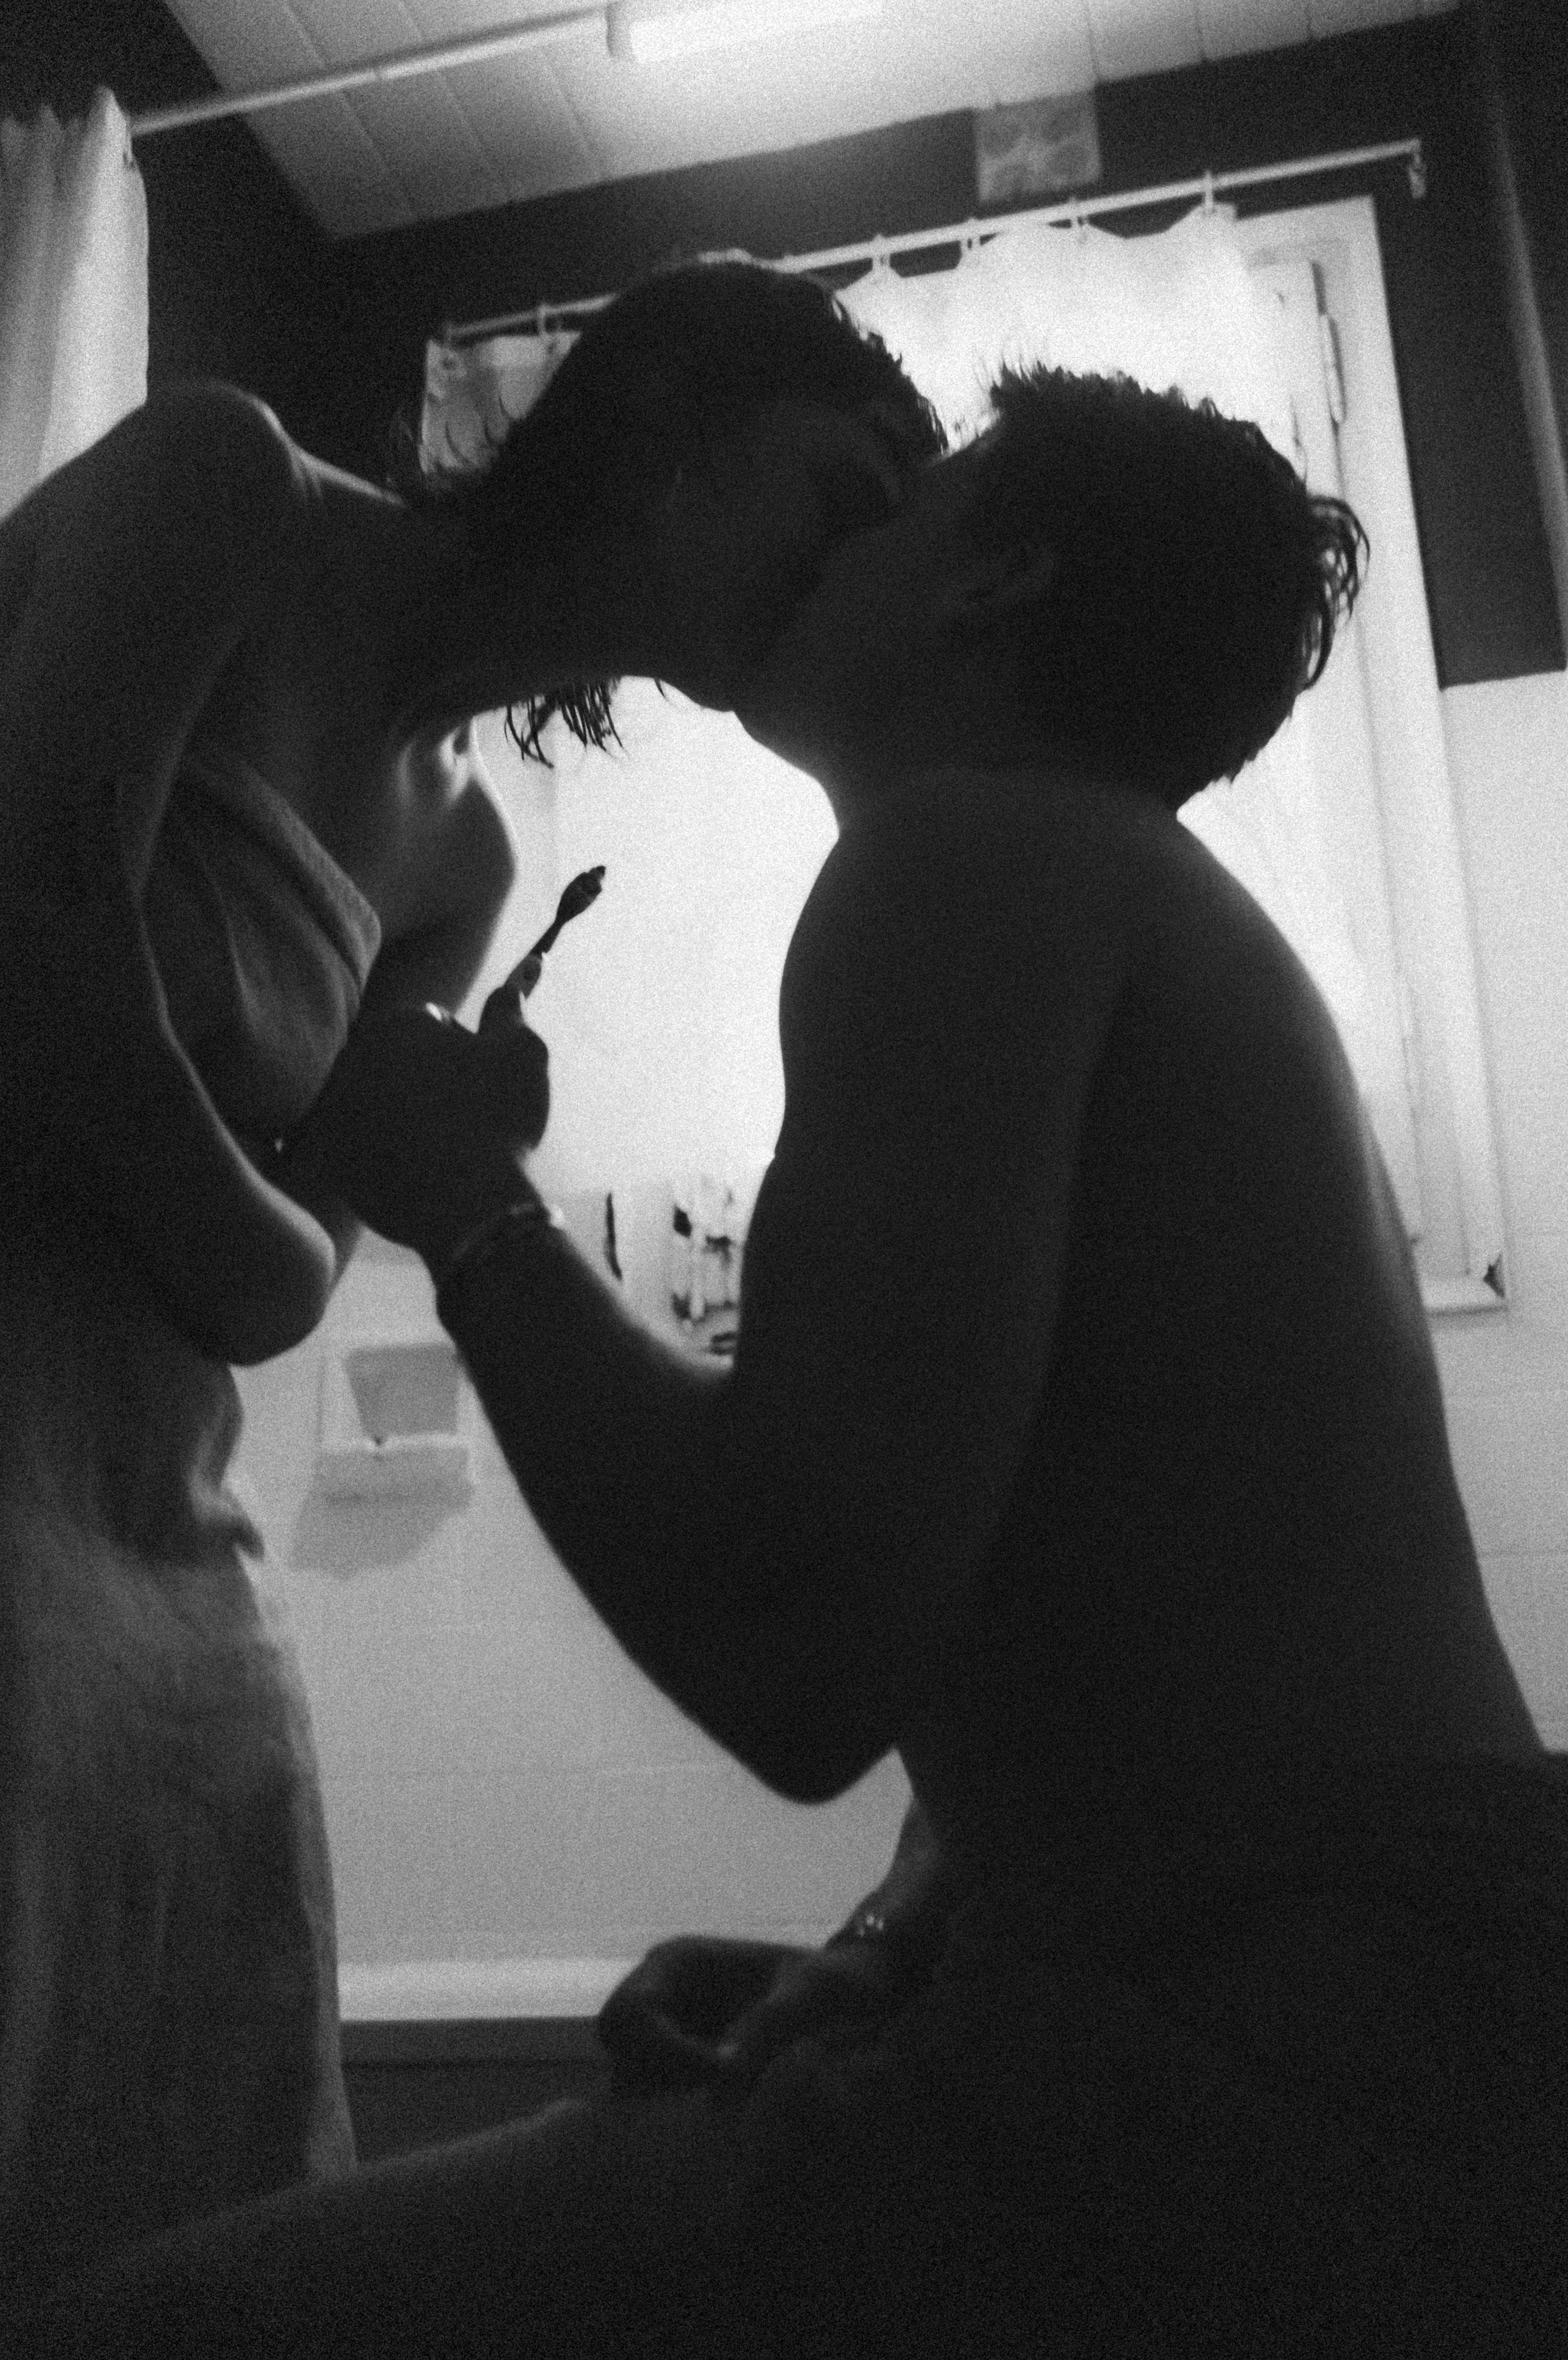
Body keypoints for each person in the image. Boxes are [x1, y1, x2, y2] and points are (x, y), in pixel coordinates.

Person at [24, 370, 1568, 2357]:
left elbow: (800, 1642)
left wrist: (471, 1210)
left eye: (897, 508)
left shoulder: (966, 864)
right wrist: (905, 1952)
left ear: (994, 581)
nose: (821, 556)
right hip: (1436, 2073)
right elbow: (1094, 1630)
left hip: (1320, 2087)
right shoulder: (1105, 897)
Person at [0, 254, 941, 2314]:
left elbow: (280, 1293)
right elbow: (34, 916)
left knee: (193, 2152)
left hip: (146, 1515)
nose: (850, 570)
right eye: (839, 489)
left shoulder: (469, 863)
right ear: (675, 418)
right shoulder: (224, 490)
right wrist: (310, 1177)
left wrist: (402, 1184)